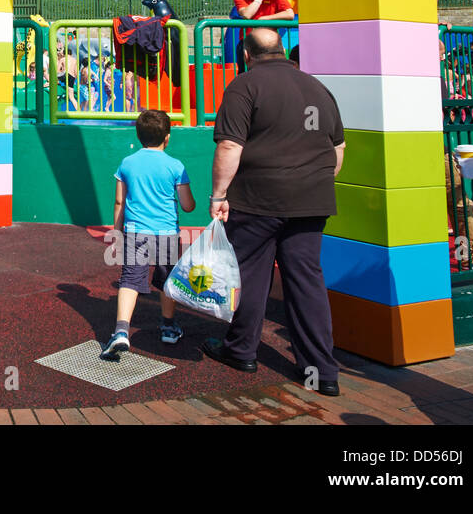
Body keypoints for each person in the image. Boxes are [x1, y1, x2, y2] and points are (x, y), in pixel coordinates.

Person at [202, 28, 345, 396]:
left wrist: (218, 195)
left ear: (246, 55)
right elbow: (338, 149)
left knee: (250, 274)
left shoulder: (243, 86)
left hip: (257, 200)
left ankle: (241, 351)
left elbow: (231, 145)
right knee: (306, 280)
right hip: (311, 200)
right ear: (281, 50)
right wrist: (313, 182)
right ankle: (321, 371)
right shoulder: (317, 88)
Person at [100, 109, 195, 360]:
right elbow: (187, 205)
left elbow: (119, 202)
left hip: (136, 232)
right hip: (166, 234)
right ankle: (168, 327)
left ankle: (121, 331)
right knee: (167, 281)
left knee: (129, 280)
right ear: (167, 137)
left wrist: (116, 232)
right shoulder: (176, 165)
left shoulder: (127, 163)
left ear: (139, 135)